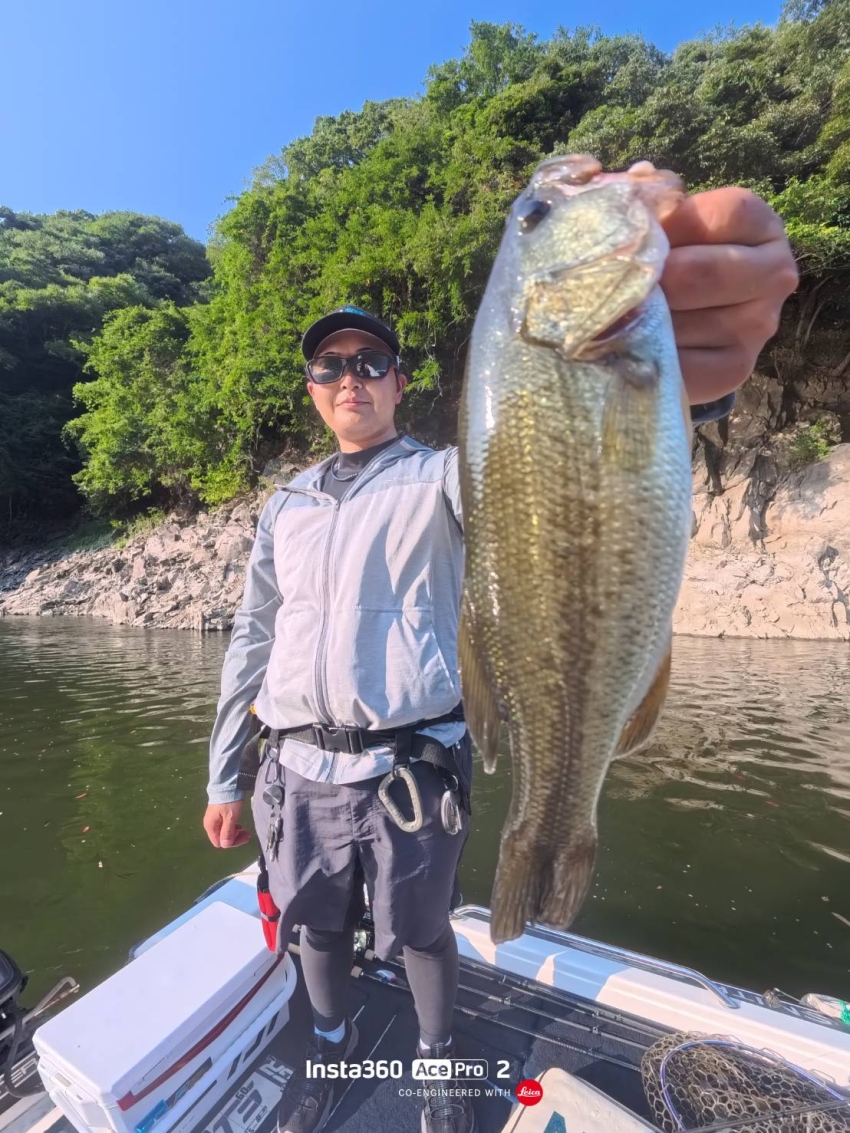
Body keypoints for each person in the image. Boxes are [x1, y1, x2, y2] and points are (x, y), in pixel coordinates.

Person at [203, 186, 798, 1133]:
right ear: (312, 388)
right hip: (292, 771)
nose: (351, 377)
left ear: (400, 382)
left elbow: (554, 466)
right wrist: (225, 775)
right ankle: (331, 1043)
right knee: (312, 925)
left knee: (424, 932)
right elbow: (252, 639)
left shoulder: (446, 474)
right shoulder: (285, 506)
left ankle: (440, 1066)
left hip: (408, 770)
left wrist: (685, 380)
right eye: (330, 365)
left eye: (370, 362)